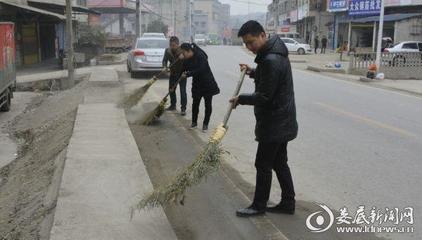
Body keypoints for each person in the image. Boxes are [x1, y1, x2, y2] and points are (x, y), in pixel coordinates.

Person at [230, 20, 298, 217]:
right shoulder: (274, 53)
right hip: (283, 119)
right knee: (279, 162)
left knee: (263, 164)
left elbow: (264, 97)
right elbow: (270, 79)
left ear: (262, 35)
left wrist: (240, 99)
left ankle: (258, 205)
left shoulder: (271, 59)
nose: (249, 47)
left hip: (275, 123)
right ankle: (288, 202)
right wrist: (252, 72)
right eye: (246, 44)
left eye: (251, 42)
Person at [180, 42, 220, 132]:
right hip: (197, 84)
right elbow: (183, 68)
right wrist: (182, 70)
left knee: (208, 104)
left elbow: (201, 69)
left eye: (183, 53)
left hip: (207, 83)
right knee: (195, 104)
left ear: (189, 51)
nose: (183, 55)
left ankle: (205, 124)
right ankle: (194, 122)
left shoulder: (200, 55)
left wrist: (188, 74)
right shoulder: (187, 58)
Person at [162, 36, 187, 115]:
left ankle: (183, 108)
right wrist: (164, 67)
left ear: (178, 44)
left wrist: (184, 57)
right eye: (171, 45)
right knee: (171, 90)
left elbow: (189, 60)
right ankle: (173, 105)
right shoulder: (167, 51)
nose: (172, 47)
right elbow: (164, 60)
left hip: (182, 74)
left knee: (183, 91)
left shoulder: (183, 51)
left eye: (174, 45)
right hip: (173, 73)